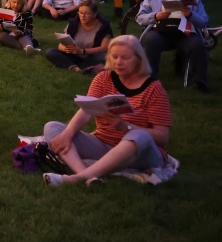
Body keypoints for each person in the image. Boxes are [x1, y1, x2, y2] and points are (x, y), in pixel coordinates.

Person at [42, 36, 172, 187]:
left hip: (141, 152)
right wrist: (67, 134)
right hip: (103, 143)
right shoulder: (103, 78)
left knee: (139, 135)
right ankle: (87, 176)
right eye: (114, 57)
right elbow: (86, 110)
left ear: (138, 59)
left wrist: (126, 126)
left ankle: (75, 179)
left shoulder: (154, 89)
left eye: (125, 58)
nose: (118, 62)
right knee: (52, 127)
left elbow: (162, 137)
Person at [135, 0, 209, 91]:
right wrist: (156, 16)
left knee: (198, 45)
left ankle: (199, 82)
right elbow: (139, 17)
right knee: (150, 40)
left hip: (184, 33)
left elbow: (204, 21)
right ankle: (149, 81)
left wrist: (190, 14)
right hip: (161, 31)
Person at [46, 0, 113, 73]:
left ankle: (70, 65)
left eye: (87, 13)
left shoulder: (103, 26)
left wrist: (82, 51)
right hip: (74, 56)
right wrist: (66, 49)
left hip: (91, 57)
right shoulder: (73, 23)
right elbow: (60, 45)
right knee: (50, 52)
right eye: (80, 13)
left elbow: (104, 48)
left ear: (94, 14)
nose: (83, 16)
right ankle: (75, 67)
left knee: (104, 57)